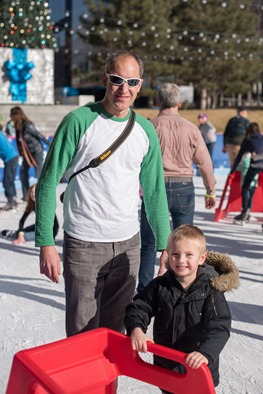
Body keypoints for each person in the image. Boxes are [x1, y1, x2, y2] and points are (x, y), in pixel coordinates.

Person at [35, 50, 171, 337]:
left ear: (140, 84)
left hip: (127, 246)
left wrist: (163, 245)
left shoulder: (145, 130)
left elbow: (155, 192)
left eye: (132, 81)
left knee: (115, 335)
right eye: (117, 79)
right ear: (105, 79)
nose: (125, 88)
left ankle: (107, 385)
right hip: (84, 243)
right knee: (82, 334)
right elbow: (47, 183)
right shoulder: (78, 121)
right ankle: (83, 385)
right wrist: (46, 242)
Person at [125, 224, 240, 393]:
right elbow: (139, 307)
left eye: (189, 255)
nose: (181, 260)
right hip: (167, 366)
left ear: (202, 258)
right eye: (175, 254)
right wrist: (136, 329)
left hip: (197, 368)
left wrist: (206, 354)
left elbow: (219, 326)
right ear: (167, 255)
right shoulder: (160, 285)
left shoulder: (210, 290)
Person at [137, 83, 216, 292]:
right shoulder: (191, 128)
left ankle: (145, 289)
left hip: (156, 188)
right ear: (180, 103)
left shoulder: (150, 127)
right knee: (184, 245)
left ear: (157, 102)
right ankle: (179, 287)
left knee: (148, 244)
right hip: (183, 188)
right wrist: (210, 190)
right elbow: (205, 162)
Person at [10, 106, 50, 201]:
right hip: (27, 154)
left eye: (12, 115)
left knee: (39, 174)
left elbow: (38, 135)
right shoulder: (18, 127)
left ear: (17, 115)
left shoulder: (28, 125)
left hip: (36, 151)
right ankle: (26, 196)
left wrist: (50, 144)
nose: (10, 117)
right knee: (23, 173)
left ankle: (42, 195)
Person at [230, 122, 263, 224]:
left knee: (245, 187)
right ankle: (248, 209)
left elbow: (239, 156)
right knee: (253, 185)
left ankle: (245, 211)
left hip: (255, 165)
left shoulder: (247, 139)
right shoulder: (262, 138)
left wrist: (233, 170)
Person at [0, 124, 19, 211]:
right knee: (10, 180)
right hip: (13, 157)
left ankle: (11, 202)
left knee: (6, 182)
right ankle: (14, 199)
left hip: (10, 158)